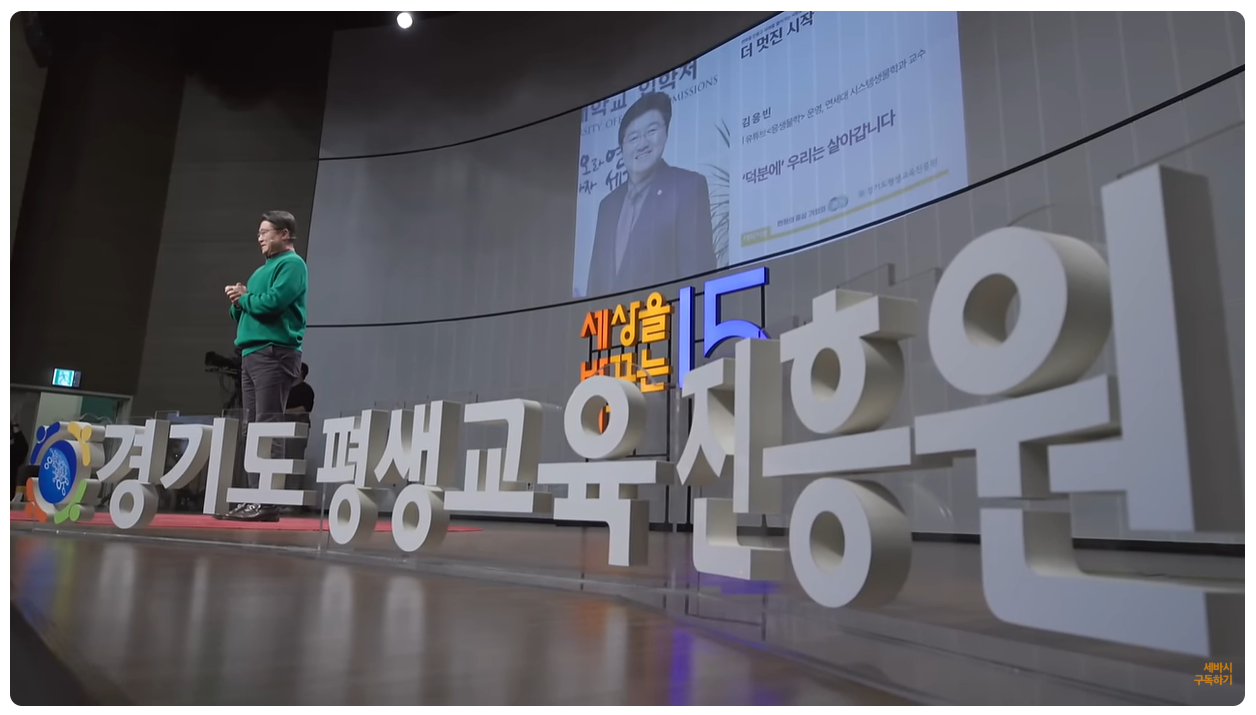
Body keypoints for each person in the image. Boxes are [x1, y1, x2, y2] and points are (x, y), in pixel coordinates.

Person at [222, 210, 308, 522]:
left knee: (268, 426)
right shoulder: (261, 270)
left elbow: (272, 303)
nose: (259, 237)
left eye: (265, 231)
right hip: (251, 353)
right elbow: (248, 311)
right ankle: (253, 498)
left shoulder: (292, 264)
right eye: (259, 232)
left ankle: (267, 502)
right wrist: (238, 301)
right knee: (253, 428)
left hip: (274, 352)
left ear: (284, 234)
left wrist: (245, 298)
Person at [585, 91, 716, 297]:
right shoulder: (607, 205)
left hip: (664, 315)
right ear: (622, 147)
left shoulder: (688, 187)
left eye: (651, 131)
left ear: (666, 133)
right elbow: (596, 283)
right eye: (633, 137)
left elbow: (698, 277)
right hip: (610, 318)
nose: (642, 144)